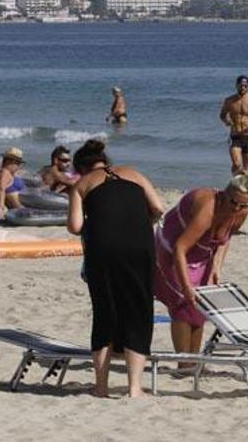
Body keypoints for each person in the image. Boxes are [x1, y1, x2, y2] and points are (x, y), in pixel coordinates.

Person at [66, 139, 165, 397]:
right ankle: (134, 388)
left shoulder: (82, 184)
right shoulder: (134, 173)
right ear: (106, 162)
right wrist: (139, 222)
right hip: (139, 244)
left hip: (103, 247)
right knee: (138, 309)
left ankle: (101, 387)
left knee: (105, 310)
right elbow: (158, 208)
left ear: (81, 169)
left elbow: (75, 226)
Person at [153, 175, 248, 362]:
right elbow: (180, 248)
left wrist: (216, 266)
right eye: (233, 203)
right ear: (224, 194)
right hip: (171, 249)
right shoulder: (208, 209)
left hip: (201, 254)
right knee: (183, 303)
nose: (237, 208)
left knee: (200, 306)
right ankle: (184, 363)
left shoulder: (241, 212)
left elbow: (225, 238)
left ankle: (194, 360)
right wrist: (186, 287)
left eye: (243, 205)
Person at [220, 75, 248, 174]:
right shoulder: (229, 101)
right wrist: (226, 121)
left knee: (247, 169)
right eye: (241, 85)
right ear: (236, 85)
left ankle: (244, 187)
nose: (243, 88)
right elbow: (222, 115)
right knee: (236, 163)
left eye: (245, 86)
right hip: (235, 135)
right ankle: (234, 184)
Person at [0, 147, 25, 220]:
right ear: (10, 161)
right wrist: (0, 207)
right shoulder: (4, 173)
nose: (18, 166)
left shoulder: (9, 173)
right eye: (17, 163)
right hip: (20, 210)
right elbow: (0, 190)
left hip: (22, 207)